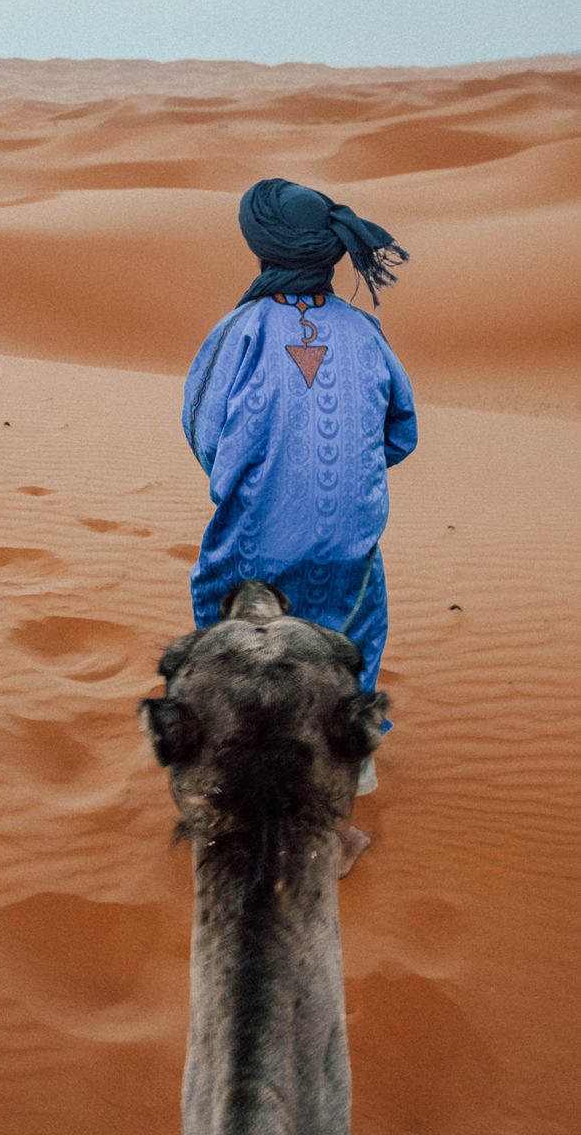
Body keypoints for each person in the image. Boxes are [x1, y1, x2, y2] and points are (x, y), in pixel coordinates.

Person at [183, 178, 417, 875]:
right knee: (344, 662)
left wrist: (262, 478)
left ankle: (229, 814)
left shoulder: (239, 331)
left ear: (262, 246)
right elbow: (400, 433)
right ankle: (335, 828)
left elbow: (202, 430)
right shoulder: (365, 332)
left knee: (229, 658)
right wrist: (342, 478)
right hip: (348, 545)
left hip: (253, 540)